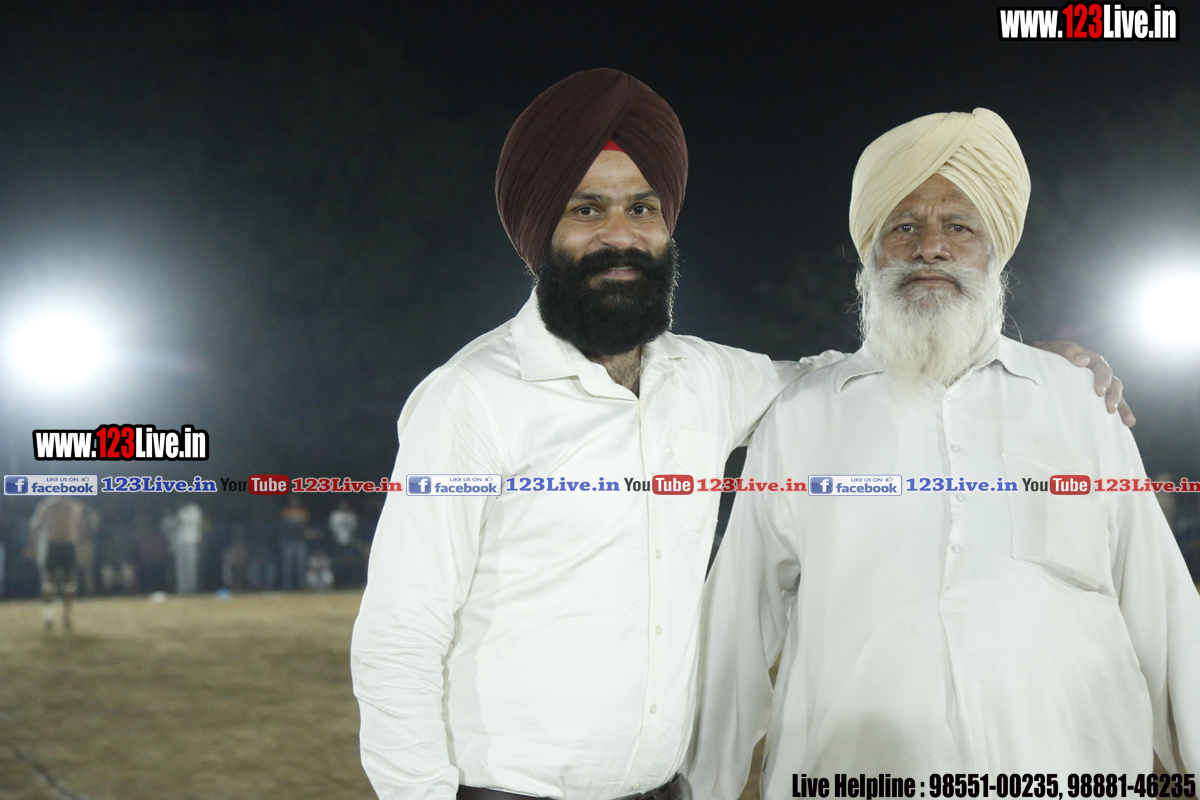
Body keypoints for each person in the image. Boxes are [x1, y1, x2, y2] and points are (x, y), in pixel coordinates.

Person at [351, 72, 1131, 800]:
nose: (621, 236)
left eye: (642, 209)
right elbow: (399, 639)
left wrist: (1015, 361)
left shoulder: (702, 378)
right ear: (538, 230)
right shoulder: (472, 399)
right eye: (586, 210)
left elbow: (839, 381)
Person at [687, 109, 1200, 791]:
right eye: (903, 226)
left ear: (996, 252)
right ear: (871, 252)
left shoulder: (1081, 403)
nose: (930, 247)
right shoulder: (804, 416)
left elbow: (1165, 617)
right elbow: (736, 638)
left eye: (958, 226)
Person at [30, 496, 87, 631]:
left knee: (69, 584)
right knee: (49, 584)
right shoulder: (46, 506)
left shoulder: (75, 507)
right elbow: (36, 527)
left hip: (69, 547)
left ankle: (67, 617)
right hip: (53, 546)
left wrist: (83, 547)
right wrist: (32, 546)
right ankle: (48, 617)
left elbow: (81, 528)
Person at [279, 495, 309, 591]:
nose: (294, 501)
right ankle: (287, 586)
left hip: (300, 540)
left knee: (300, 565)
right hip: (288, 540)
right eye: (292, 500)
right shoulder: (286, 511)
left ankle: (301, 585)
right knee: (287, 565)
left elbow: (305, 524)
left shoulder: (302, 511)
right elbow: (284, 523)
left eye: (296, 500)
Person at [173, 501, 204, 594]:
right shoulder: (181, 509)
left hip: (191, 540)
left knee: (191, 565)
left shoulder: (194, 509)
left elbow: (186, 522)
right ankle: (182, 588)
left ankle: (191, 588)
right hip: (180, 540)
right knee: (180, 566)